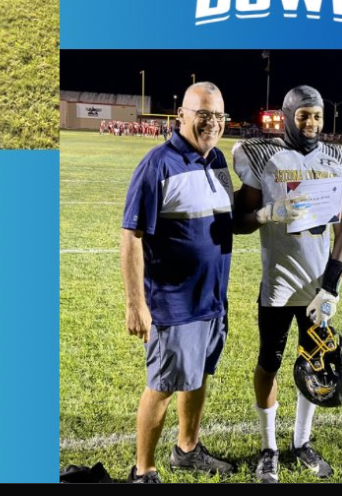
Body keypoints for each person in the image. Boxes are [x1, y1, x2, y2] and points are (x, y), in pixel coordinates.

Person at [232, 86, 342, 483]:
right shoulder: (261, 155)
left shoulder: (337, 160)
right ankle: (268, 447)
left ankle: (301, 442)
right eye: (304, 115)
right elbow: (240, 222)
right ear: (288, 116)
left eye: (317, 116)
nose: (312, 123)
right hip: (278, 285)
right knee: (269, 362)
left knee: (315, 365)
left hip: (317, 289)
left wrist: (331, 288)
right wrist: (269, 213)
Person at [120, 83, 235, 483]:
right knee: (164, 383)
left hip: (212, 298)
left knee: (198, 375)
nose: (212, 123)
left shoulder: (218, 160)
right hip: (174, 301)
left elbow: (228, 221)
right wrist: (137, 304)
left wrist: (276, 214)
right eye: (203, 114)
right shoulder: (158, 165)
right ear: (181, 117)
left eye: (219, 115)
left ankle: (187, 448)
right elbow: (131, 235)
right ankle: (144, 470)